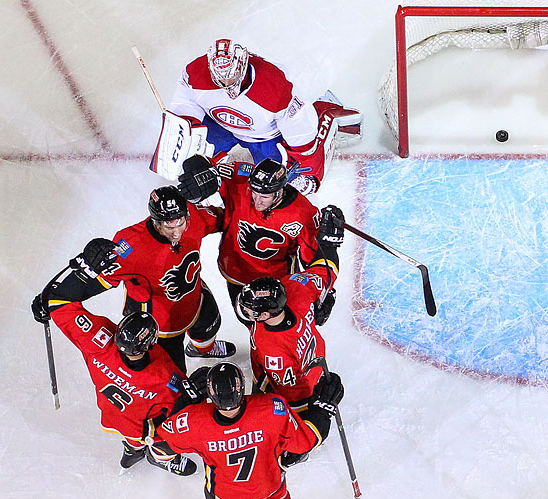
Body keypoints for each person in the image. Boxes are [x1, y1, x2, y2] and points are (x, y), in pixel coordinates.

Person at [158, 362, 343, 499]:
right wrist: (322, 409)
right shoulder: (271, 407)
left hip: (230, 498)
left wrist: (187, 397)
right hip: (270, 480)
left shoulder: (193, 421)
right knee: (276, 495)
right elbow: (306, 441)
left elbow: (166, 434)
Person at [43, 188, 235, 372]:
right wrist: (54, 296)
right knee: (175, 376)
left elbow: (227, 219)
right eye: (169, 226)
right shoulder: (130, 246)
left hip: (195, 298)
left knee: (209, 327)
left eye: (180, 223)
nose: (177, 232)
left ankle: (202, 349)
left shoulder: (194, 214)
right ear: (156, 221)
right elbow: (93, 281)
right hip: (159, 326)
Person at [31, 284, 201, 476]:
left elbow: (61, 306)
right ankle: (159, 458)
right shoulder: (161, 375)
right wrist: (193, 393)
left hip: (112, 413)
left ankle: (132, 450)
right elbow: (182, 409)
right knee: (165, 438)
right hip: (141, 426)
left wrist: (47, 302)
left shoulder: (96, 341)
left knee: (130, 432)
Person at [166, 38, 362, 195]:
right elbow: (185, 105)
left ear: (242, 64)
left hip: (267, 137)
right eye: (220, 78)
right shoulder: (195, 73)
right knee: (183, 163)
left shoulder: (274, 87)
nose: (226, 83)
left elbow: (303, 138)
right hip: (221, 125)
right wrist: (190, 139)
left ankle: (325, 111)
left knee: (296, 187)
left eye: (231, 76)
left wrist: (295, 166)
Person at [176, 153, 346, 321]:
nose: (256, 201)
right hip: (235, 272)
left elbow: (316, 261)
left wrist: (325, 290)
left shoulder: (303, 214)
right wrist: (198, 171)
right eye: (254, 193)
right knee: (246, 320)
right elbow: (205, 165)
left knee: (272, 330)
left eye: (264, 196)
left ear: (279, 192)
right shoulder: (241, 177)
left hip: (275, 286)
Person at [235, 271, 334, 412]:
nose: (245, 310)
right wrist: (328, 297)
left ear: (265, 315)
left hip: (302, 394)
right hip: (317, 363)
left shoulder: (271, 348)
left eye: (249, 310)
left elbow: (287, 392)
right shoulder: (295, 287)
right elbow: (324, 274)